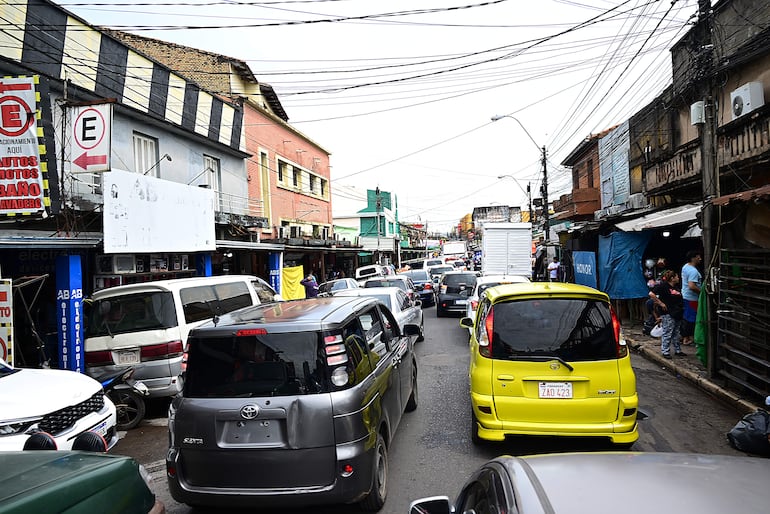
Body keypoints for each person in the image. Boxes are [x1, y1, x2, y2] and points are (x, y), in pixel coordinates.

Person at [649, 270, 685, 359]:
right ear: (672, 278)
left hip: (677, 312)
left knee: (676, 332)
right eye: (676, 277)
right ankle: (665, 351)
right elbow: (651, 294)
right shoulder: (663, 286)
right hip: (668, 312)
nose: (678, 278)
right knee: (667, 332)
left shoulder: (676, 287)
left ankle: (678, 350)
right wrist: (660, 303)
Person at [681, 250, 702, 345]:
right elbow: (692, 286)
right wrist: (702, 292)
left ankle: (686, 337)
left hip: (686, 296)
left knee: (687, 317)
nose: (700, 259)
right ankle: (688, 338)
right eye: (698, 257)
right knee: (691, 318)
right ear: (693, 258)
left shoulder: (685, 267)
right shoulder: (693, 271)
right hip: (692, 298)